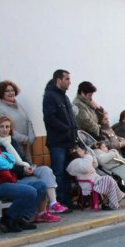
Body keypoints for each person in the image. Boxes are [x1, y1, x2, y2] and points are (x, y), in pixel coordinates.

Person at [0, 119, 47, 232]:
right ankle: (9, 218)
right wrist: (5, 159)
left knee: (40, 185)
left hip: (6, 179)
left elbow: (9, 158)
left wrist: (5, 158)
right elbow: (4, 164)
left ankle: (22, 218)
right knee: (29, 191)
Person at [0, 116, 68, 215]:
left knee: (45, 170)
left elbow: (22, 158)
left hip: (24, 169)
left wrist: (30, 166)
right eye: (1, 127)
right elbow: (6, 166)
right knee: (40, 182)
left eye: (7, 127)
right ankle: (40, 213)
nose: (5, 129)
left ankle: (53, 204)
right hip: (14, 176)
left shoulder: (12, 141)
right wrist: (22, 169)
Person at [43, 69, 78, 207]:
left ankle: (68, 201)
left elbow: (71, 118)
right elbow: (49, 118)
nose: (70, 82)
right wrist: (67, 129)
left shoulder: (64, 96)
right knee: (58, 173)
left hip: (69, 142)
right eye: (67, 79)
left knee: (68, 173)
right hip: (58, 142)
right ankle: (59, 202)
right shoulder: (50, 96)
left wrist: (74, 133)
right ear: (58, 80)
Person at [66, 143, 125, 210]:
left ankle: (109, 201)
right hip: (90, 184)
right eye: (79, 150)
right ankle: (113, 199)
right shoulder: (75, 162)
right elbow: (86, 168)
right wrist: (88, 157)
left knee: (109, 179)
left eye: (82, 150)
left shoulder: (83, 160)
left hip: (94, 181)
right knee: (108, 179)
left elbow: (95, 165)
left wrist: (92, 156)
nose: (83, 151)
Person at [0, 80, 36, 162]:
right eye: (7, 91)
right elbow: (6, 129)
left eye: (12, 90)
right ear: (1, 93)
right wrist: (25, 139)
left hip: (26, 146)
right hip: (13, 146)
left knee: (29, 168)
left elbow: (28, 121)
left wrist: (31, 138)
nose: (11, 93)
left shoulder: (18, 105)